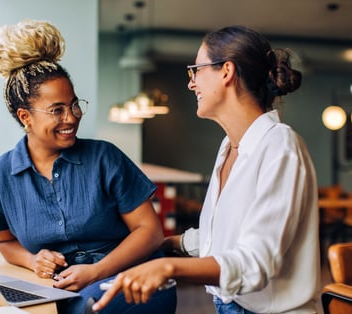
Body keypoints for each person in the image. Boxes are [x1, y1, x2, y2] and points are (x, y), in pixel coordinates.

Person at [93, 25, 320, 314]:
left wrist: (169, 267)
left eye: (196, 70)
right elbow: (226, 234)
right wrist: (166, 245)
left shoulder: (280, 145)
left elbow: (256, 261)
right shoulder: (229, 145)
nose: (191, 83)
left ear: (226, 72)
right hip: (229, 305)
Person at [0, 19, 176, 314]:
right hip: (63, 285)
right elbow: (3, 241)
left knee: (86, 310)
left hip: (135, 275)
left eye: (74, 104)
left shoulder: (105, 157)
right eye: (57, 110)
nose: (72, 117)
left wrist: (96, 271)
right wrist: (33, 260)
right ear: (25, 117)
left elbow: (150, 231)